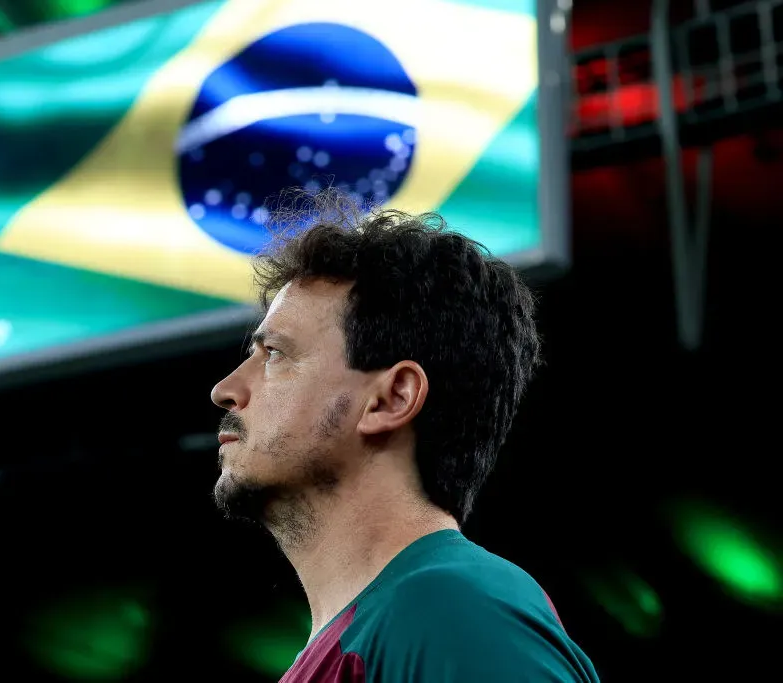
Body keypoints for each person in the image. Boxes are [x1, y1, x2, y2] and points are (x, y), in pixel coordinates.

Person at [210, 190, 600, 682]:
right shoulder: (395, 629)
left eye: (276, 356)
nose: (224, 391)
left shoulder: (452, 611)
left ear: (392, 398)